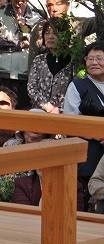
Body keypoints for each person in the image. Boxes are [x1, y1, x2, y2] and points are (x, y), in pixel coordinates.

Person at [62, 41, 104, 206]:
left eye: (99, 58)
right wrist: (97, 134)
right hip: (89, 148)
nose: (94, 62)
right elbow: (70, 121)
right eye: (90, 58)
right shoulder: (77, 86)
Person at [0, 0, 41, 108]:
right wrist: (21, 44)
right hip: (0, 74)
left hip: (25, 76)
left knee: (23, 116)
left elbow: (41, 43)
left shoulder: (38, 16)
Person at [27, 18, 74, 113]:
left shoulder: (73, 62)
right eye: (47, 33)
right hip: (40, 109)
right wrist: (46, 106)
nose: (50, 37)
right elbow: (31, 87)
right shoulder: (39, 60)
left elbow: (75, 90)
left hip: (64, 111)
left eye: (55, 33)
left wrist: (59, 108)